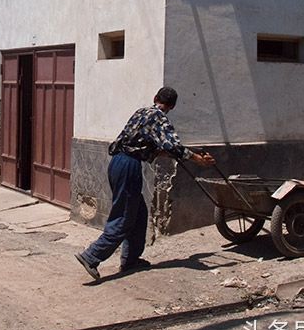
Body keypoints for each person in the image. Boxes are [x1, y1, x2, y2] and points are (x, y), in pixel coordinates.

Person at [74, 86, 215, 281]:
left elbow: (152, 147)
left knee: (139, 213)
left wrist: (184, 153)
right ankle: (91, 256)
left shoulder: (141, 112)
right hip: (129, 165)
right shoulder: (159, 118)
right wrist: (197, 159)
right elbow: (173, 147)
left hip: (118, 162)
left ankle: (131, 259)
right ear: (172, 106)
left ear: (155, 97)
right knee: (124, 216)